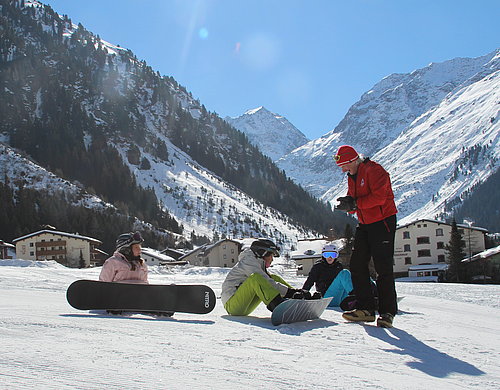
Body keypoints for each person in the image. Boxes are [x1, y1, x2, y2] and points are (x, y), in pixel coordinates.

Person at [334, 145, 398, 328]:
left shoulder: (375, 171)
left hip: (383, 221)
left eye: (345, 165)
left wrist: (355, 203)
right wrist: (349, 204)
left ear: (354, 160)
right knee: (356, 264)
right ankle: (366, 309)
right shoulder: (352, 176)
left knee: (383, 267)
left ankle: (387, 313)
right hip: (365, 223)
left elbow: (379, 198)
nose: (343, 170)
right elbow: (357, 202)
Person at [221, 238, 312, 316]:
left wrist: (295, 292)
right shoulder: (248, 261)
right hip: (232, 305)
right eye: (271, 255)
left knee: (273, 278)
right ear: (263, 253)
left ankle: (298, 299)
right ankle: (278, 305)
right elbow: (266, 282)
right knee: (256, 278)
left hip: (244, 305)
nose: (272, 259)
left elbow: (270, 282)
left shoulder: (257, 263)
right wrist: (290, 292)